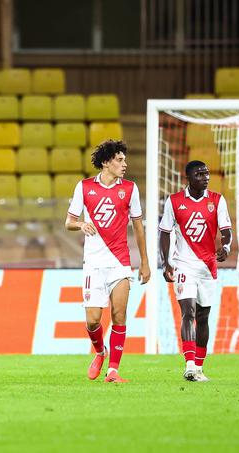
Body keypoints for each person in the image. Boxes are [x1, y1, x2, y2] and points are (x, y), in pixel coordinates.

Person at [65, 139, 150, 383]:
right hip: (93, 262)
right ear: (106, 162)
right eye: (119, 160)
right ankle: (101, 352)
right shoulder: (84, 187)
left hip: (120, 261)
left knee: (119, 314)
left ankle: (113, 370)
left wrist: (144, 262)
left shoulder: (130, 189)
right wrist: (81, 224)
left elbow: (138, 227)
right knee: (92, 320)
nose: (125, 164)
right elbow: (69, 222)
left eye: (125, 160)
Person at [159, 160, 232, 382]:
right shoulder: (174, 202)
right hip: (184, 265)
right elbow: (164, 232)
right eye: (200, 174)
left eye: (207, 174)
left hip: (208, 267)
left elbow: (226, 231)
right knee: (188, 312)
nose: (205, 177)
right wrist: (167, 262)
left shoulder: (217, 201)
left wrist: (226, 247)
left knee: (203, 315)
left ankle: (199, 367)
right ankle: (189, 364)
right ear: (188, 178)